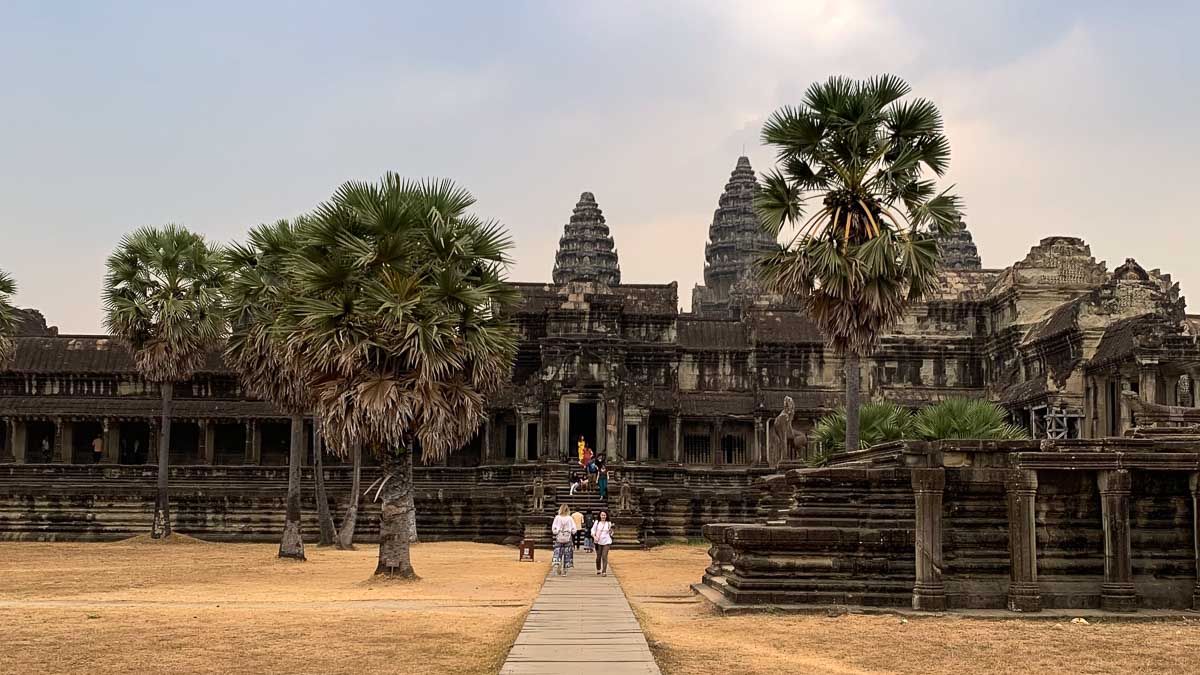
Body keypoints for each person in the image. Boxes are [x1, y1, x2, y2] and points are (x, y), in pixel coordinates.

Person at [551, 505, 577, 576]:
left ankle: (558, 564)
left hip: (559, 537)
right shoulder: (570, 518)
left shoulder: (557, 518)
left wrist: (557, 531)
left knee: (558, 553)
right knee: (567, 554)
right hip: (568, 538)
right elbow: (574, 530)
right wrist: (570, 531)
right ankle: (565, 570)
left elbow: (553, 529)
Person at [591, 510, 614, 576]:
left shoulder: (609, 523)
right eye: (602, 515)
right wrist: (594, 536)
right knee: (598, 557)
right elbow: (593, 530)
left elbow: (611, 533)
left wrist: (611, 531)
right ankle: (598, 569)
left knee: (604, 556)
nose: (603, 516)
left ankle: (604, 571)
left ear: (606, 516)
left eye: (604, 515)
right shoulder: (597, 522)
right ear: (600, 516)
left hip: (607, 541)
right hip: (598, 541)